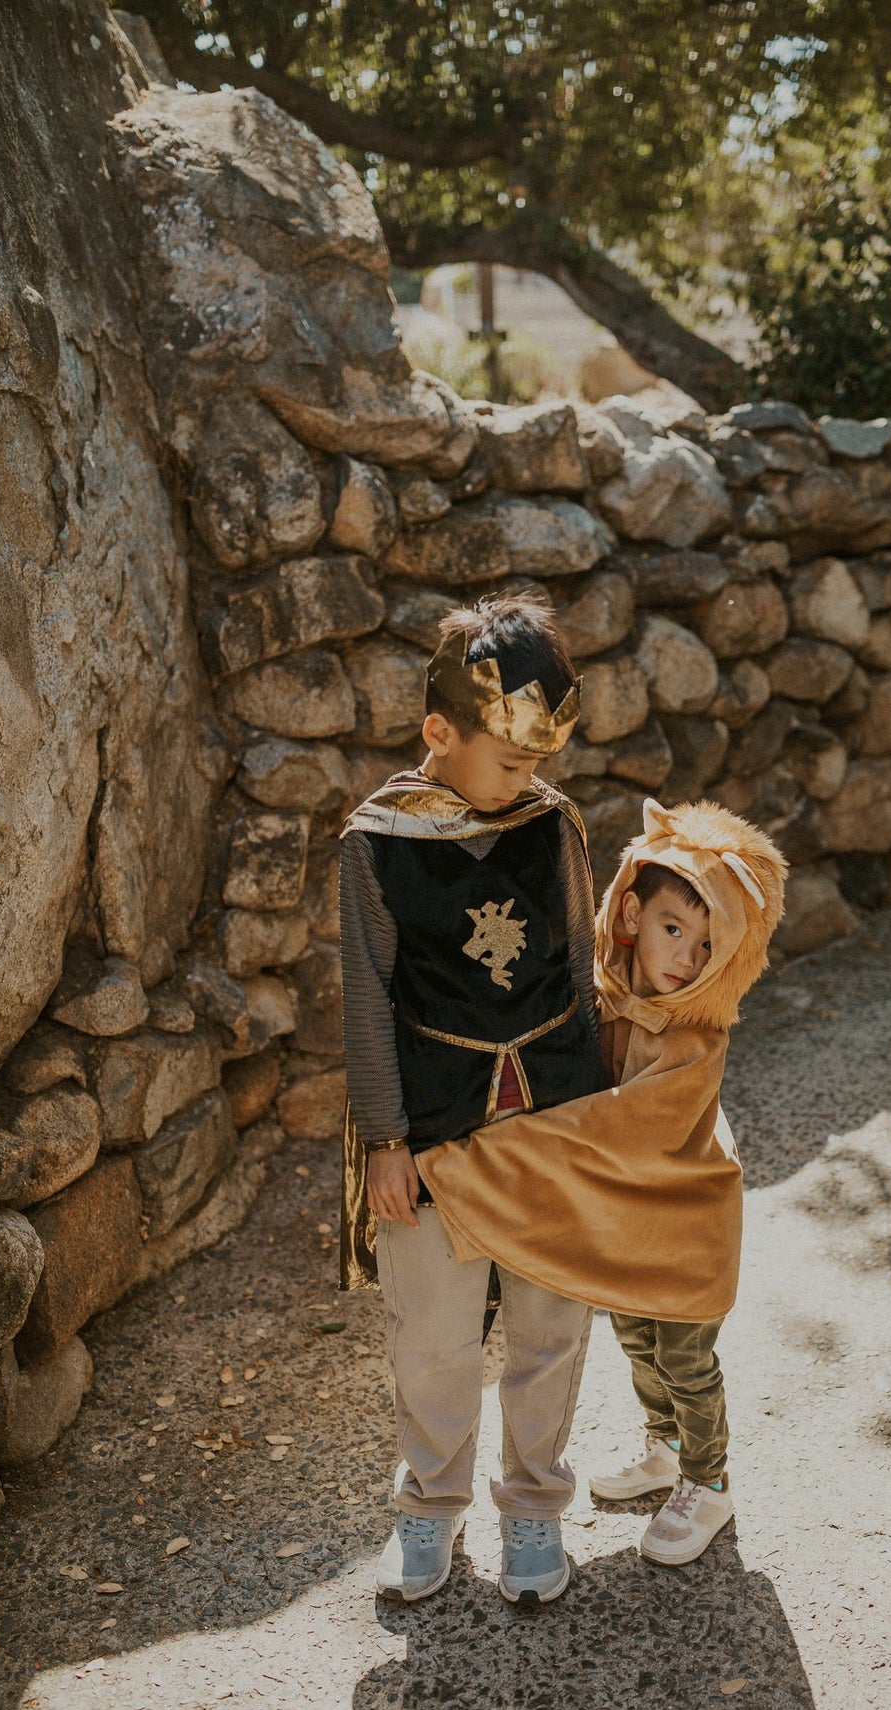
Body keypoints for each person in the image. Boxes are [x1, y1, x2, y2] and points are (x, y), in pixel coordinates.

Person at [418, 797, 787, 1566]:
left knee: (686, 1357)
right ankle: (662, 1447)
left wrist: (499, 1151)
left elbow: (616, 1126)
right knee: (635, 1340)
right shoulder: (603, 994)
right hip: (630, 1217)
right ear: (629, 913)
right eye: (672, 928)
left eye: (707, 942)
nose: (684, 956)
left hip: (687, 1223)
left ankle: (708, 1476)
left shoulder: (693, 1039)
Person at [338, 595, 607, 1608]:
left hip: (553, 1128)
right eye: (506, 762)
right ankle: (429, 1508)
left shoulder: (554, 826)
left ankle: (533, 1511)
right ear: (437, 736)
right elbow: (367, 1000)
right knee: (434, 1337)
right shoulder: (373, 846)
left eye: (536, 763)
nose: (524, 781)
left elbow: (580, 971)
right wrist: (383, 1142)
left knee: (548, 1327)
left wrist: (607, 1126)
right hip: (436, 1135)